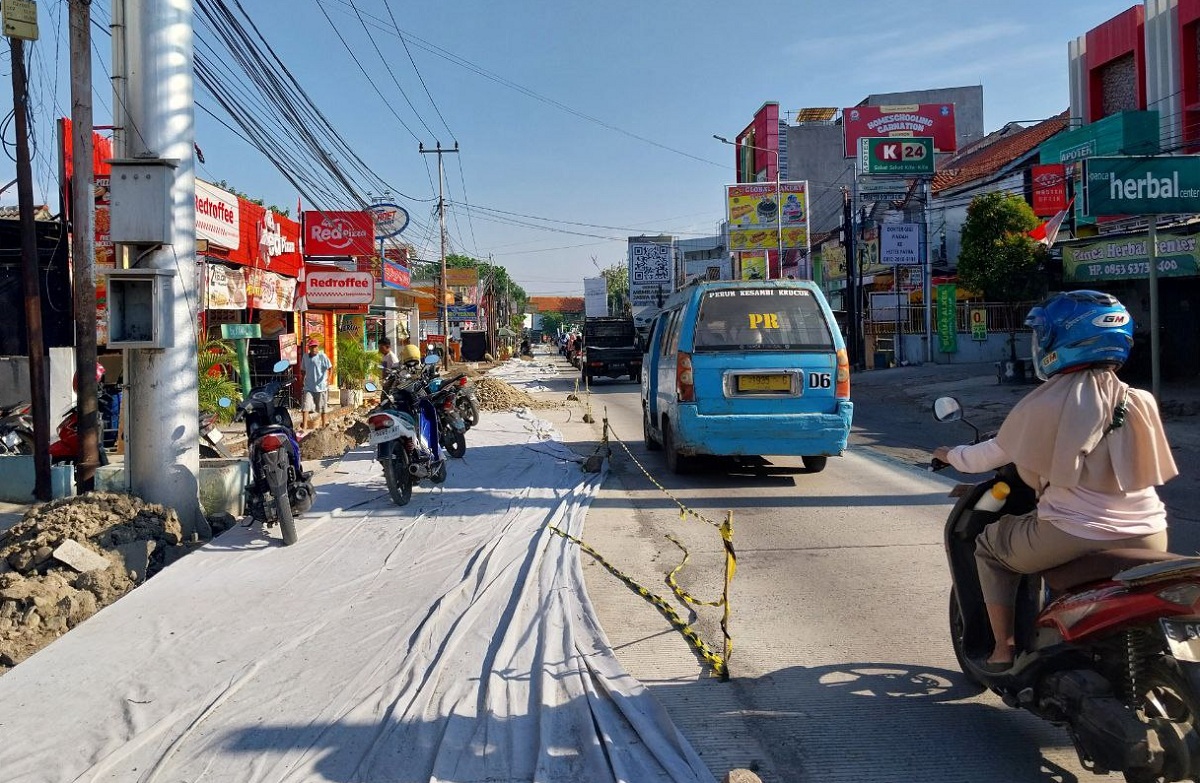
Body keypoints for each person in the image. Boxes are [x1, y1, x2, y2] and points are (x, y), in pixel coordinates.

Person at [933, 290, 1178, 672]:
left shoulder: (1045, 403)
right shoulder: (1140, 400)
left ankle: (1002, 650)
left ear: (1055, 341)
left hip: (1073, 534)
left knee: (989, 548)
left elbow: (989, 455)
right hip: (1151, 532)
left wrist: (949, 455)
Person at [300, 339, 332, 432]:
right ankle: (305, 427)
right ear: (309, 347)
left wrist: (328, 379)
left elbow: (330, 368)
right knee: (305, 406)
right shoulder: (305, 357)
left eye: (316, 346)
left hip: (321, 386)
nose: (314, 348)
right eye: (312, 346)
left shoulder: (322, 356)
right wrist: (303, 379)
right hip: (308, 386)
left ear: (318, 347)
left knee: (322, 407)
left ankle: (323, 425)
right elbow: (303, 369)